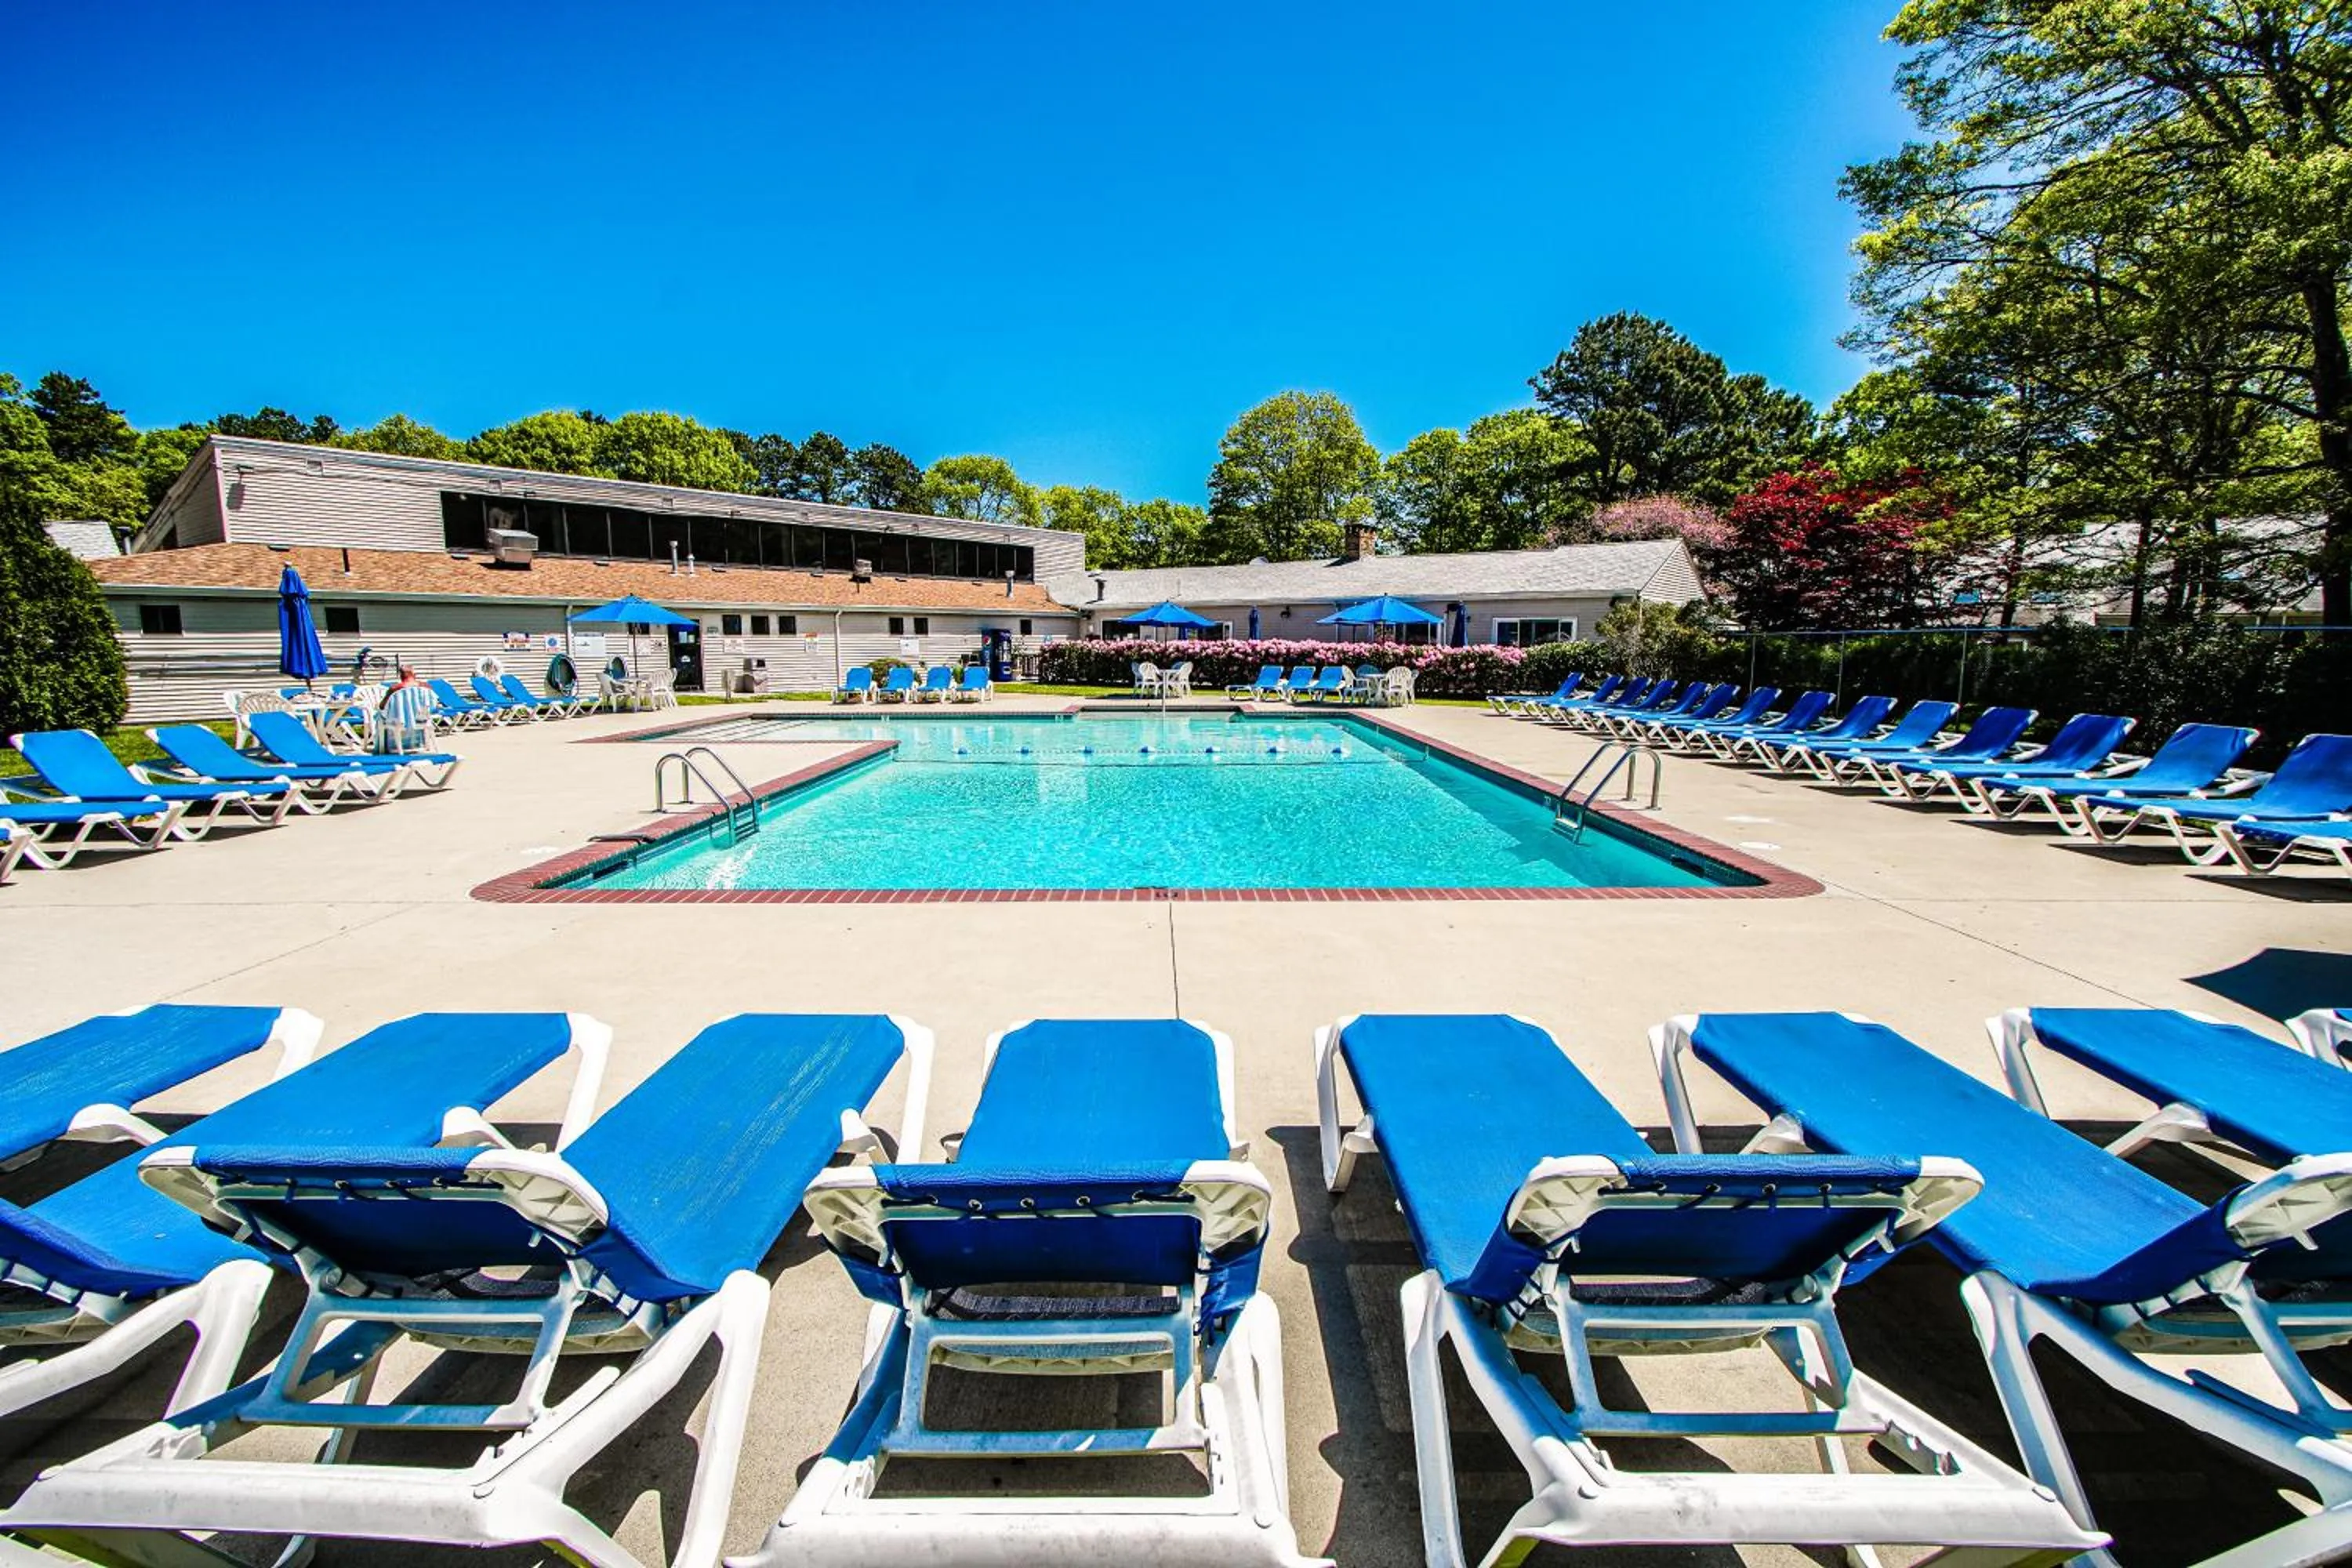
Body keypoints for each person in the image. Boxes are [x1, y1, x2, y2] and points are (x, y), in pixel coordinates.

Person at [379, 665, 434, 753]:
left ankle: (386, 747)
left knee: (379, 717)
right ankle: (421, 744)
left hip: (400, 720)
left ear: (401, 675)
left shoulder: (395, 688)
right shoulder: (426, 687)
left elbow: (382, 706)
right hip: (421, 719)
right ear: (414, 675)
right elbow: (432, 704)